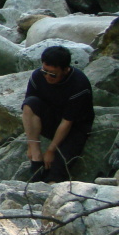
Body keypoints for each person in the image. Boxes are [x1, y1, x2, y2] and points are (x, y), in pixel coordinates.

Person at [23, 45, 94, 183]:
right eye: (45, 71)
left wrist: (51, 150)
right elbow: (29, 108)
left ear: (65, 70)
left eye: (53, 74)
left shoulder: (79, 85)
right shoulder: (38, 76)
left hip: (75, 127)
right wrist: (31, 145)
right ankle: (36, 158)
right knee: (30, 103)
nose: (47, 76)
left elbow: (67, 122)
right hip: (51, 118)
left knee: (56, 170)